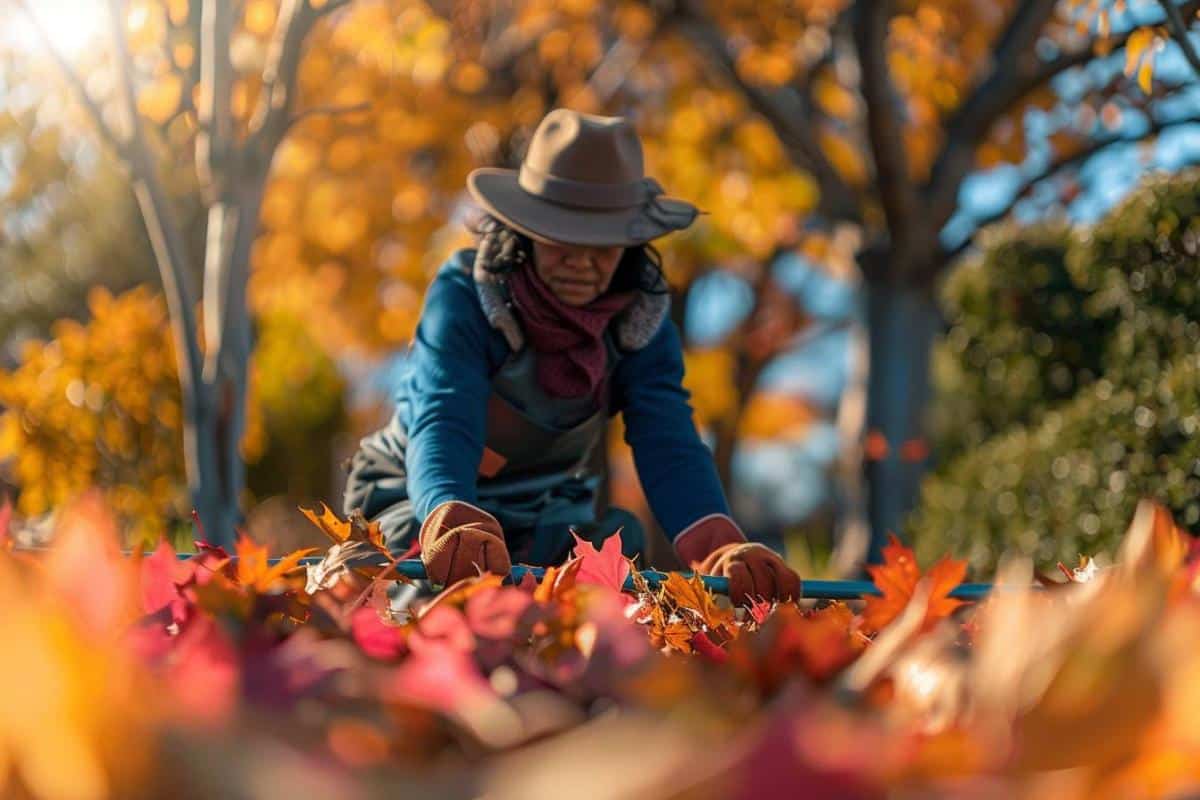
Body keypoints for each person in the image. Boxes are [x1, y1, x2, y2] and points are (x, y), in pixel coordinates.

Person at [343, 108, 800, 607]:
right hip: (420, 495)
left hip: (547, 512)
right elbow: (443, 415)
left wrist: (722, 548)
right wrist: (450, 514)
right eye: (563, 238)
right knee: (419, 592)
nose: (582, 261)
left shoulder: (640, 320)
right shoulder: (467, 294)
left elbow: (667, 440)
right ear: (526, 230)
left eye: (604, 245)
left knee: (611, 574)